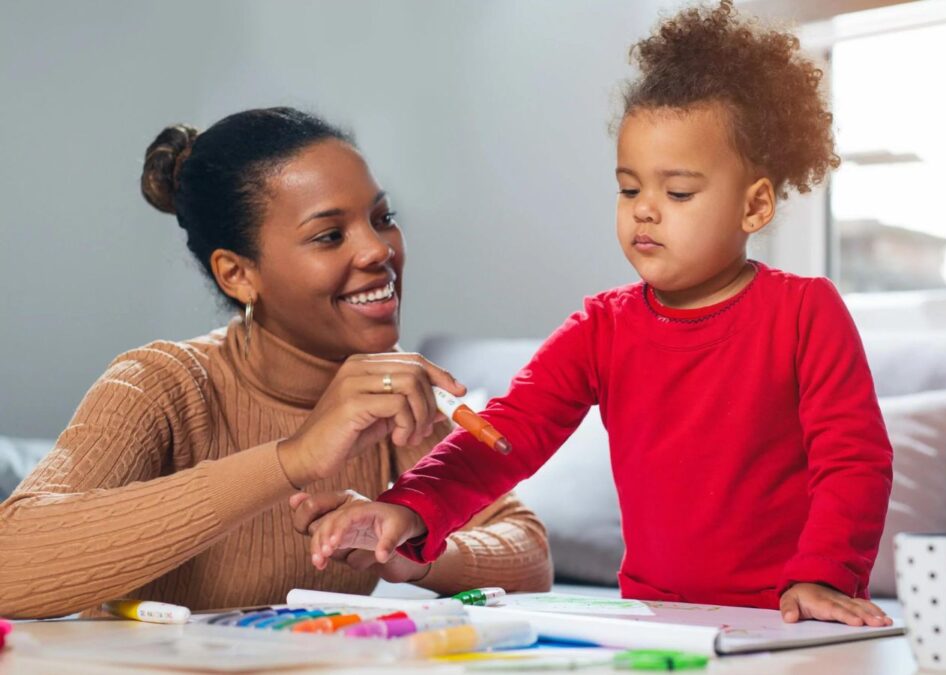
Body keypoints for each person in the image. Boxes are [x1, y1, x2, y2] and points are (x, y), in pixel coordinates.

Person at [306, 1, 895, 627]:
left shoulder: (806, 312)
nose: (645, 210)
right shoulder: (600, 328)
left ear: (754, 207)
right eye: (629, 188)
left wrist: (822, 576)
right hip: (658, 620)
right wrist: (411, 507)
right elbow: (505, 435)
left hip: (789, 619)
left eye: (678, 193)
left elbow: (854, 461)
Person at [0, 107, 552, 619]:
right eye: (330, 235)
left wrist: (412, 550)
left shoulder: (393, 395)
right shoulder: (162, 384)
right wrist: (293, 457)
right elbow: (10, 567)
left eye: (383, 218)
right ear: (238, 274)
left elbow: (528, 553)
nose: (379, 250)